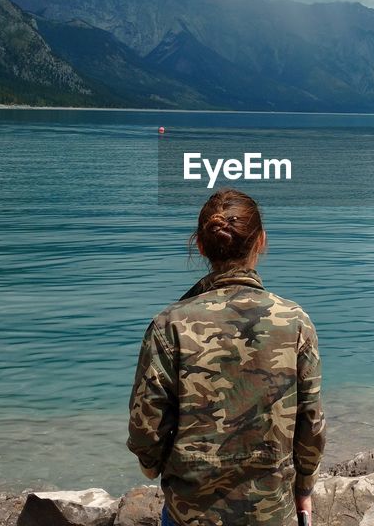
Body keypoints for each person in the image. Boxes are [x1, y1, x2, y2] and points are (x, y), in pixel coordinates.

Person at [128, 188, 325, 526]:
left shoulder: (169, 324)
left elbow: (147, 426)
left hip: (190, 514)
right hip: (271, 512)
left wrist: (152, 466)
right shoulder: (295, 321)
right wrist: (304, 486)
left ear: (201, 246)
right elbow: (311, 422)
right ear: (260, 241)